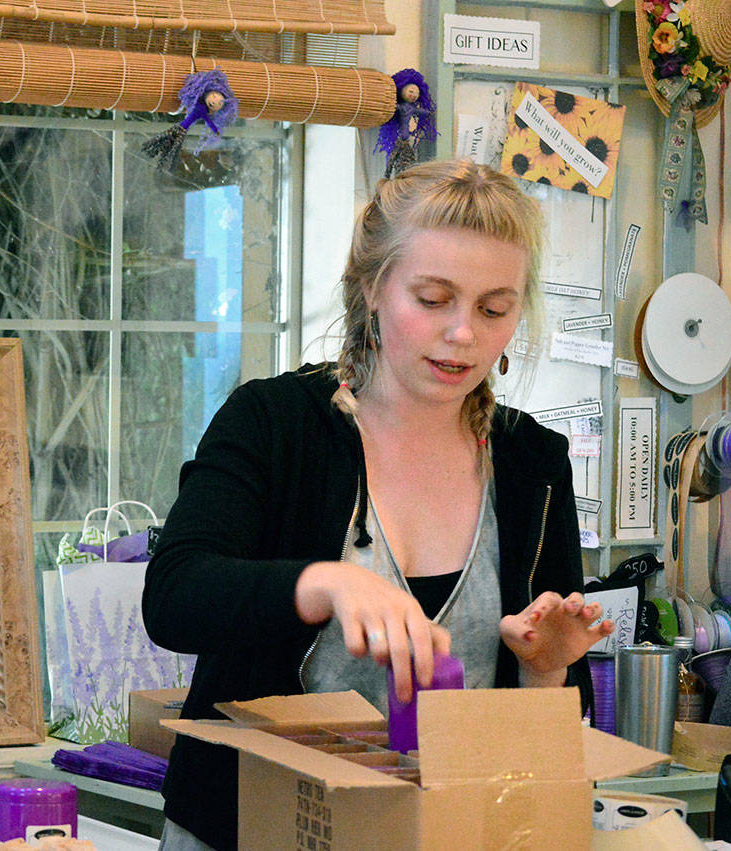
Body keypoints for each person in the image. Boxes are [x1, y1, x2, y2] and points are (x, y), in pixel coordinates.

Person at [142, 159, 615, 851]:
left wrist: (545, 664)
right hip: (250, 830)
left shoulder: (530, 463)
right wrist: (322, 582)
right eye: (432, 298)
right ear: (371, 288)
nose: (463, 333)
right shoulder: (275, 424)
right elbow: (175, 595)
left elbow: (543, 738)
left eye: (493, 308)